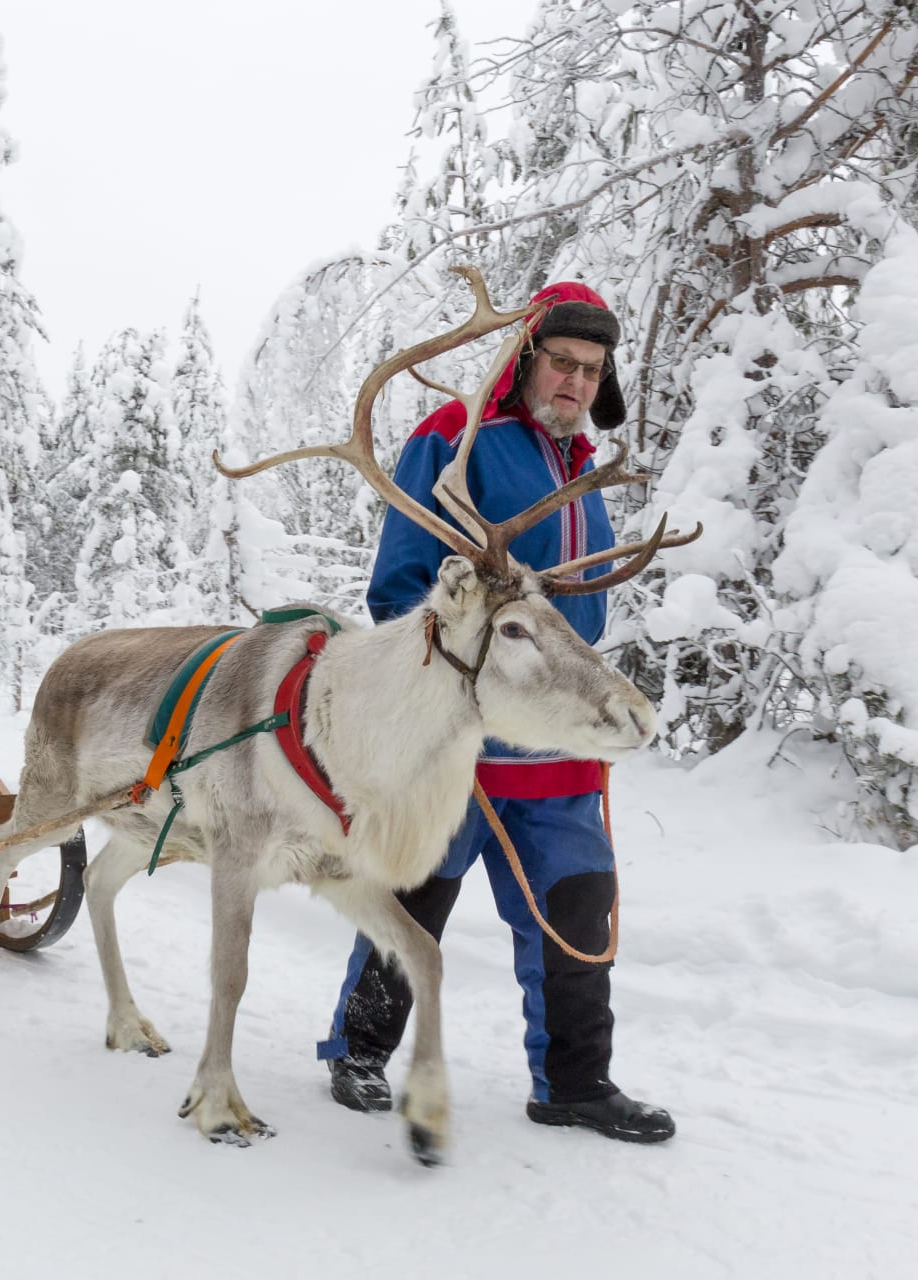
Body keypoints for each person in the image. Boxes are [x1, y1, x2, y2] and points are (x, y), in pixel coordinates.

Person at [316, 281, 676, 1144]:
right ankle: (360, 1051)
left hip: (558, 749)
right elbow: (403, 585)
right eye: (563, 362)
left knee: (578, 907)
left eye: (593, 370)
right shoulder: (454, 442)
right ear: (524, 359)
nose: (578, 382)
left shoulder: (583, 469)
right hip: (461, 744)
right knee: (415, 898)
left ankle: (574, 1082)